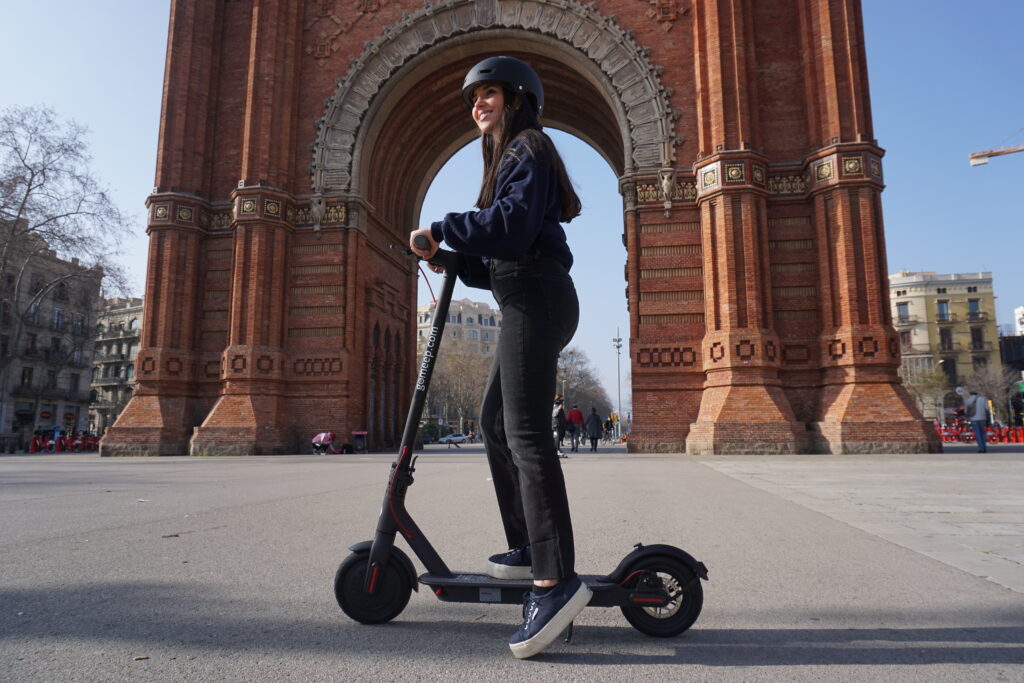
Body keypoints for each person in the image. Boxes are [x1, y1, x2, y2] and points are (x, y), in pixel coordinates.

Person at [409, 55, 588, 659]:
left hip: (537, 298)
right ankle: (528, 548)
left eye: (488, 94)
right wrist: (452, 258)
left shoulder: (529, 146)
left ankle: (553, 578)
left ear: (515, 98)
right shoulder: (511, 157)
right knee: (491, 423)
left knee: (528, 433)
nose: (478, 104)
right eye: (473, 97)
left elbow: (508, 232)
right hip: (523, 293)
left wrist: (445, 225)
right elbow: (504, 255)